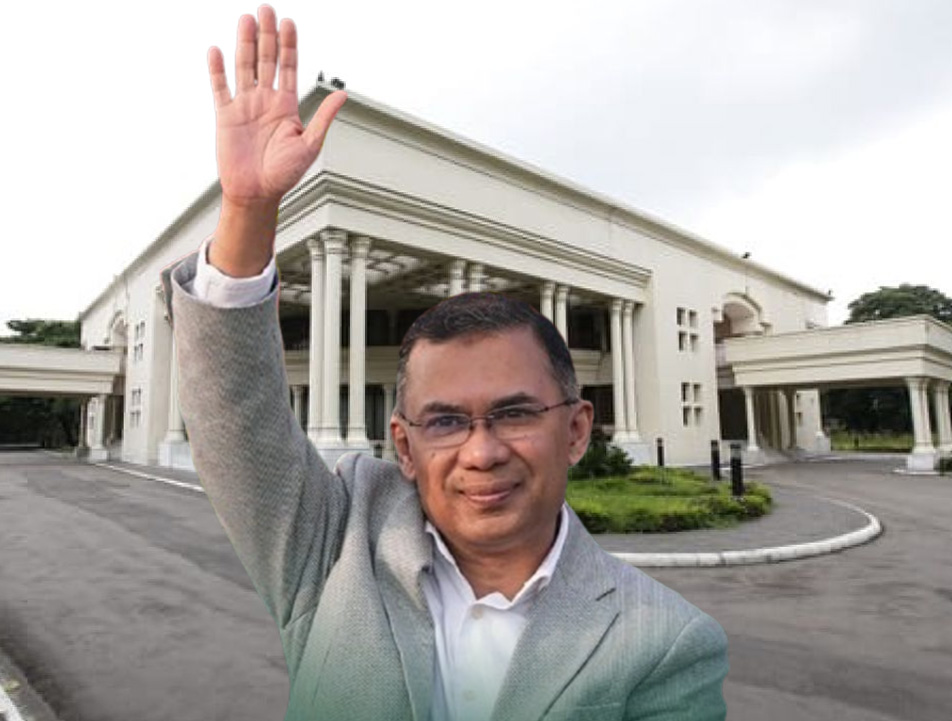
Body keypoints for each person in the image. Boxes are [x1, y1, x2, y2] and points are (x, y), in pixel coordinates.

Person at [163, 6, 728, 720]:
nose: (481, 452)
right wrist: (247, 211)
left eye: (514, 413)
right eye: (445, 421)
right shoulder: (337, 547)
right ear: (403, 445)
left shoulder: (664, 642)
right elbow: (236, 421)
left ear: (578, 428)